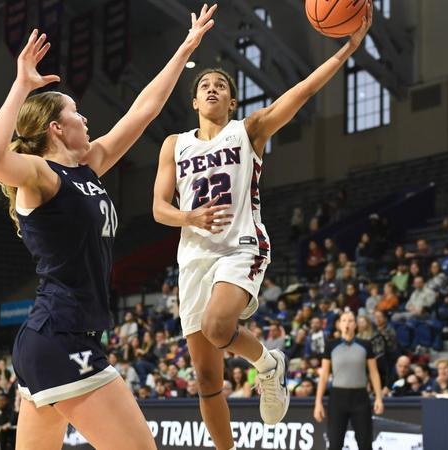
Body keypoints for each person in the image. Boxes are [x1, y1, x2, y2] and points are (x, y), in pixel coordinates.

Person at [0, 5, 216, 449]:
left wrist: (185, 49)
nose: (85, 119)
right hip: (61, 338)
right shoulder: (41, 175)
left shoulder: (89, 166)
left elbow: (142, 111)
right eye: (76, 114)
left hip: (53, 338)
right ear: (56, 129)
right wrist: (21, 85)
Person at [150, 4, 373, 448]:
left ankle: (269, 365)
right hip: (194, 256)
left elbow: (303, 92)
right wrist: (187, 216)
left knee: (218, 329)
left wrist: (346, 50)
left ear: (232, 101)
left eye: (221, 86)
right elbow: (158, 207)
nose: (212, 89)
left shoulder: (248, 130)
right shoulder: (174, 145)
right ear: (194, 101)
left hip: (241, 246)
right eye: (205, 86)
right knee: (207, 380)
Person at [313, 311, 383, 450]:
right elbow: (324, 375)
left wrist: (379, 398)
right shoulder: (331, 345)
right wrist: (318, 402)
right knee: (335, 444)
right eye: (344, 320)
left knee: (365, 444)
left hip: (360, 399)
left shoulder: (366, 345)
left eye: (350, 320)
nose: (347, 323)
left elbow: (374, 373)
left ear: (355, 324)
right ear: (339, 324)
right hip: (338, 399)